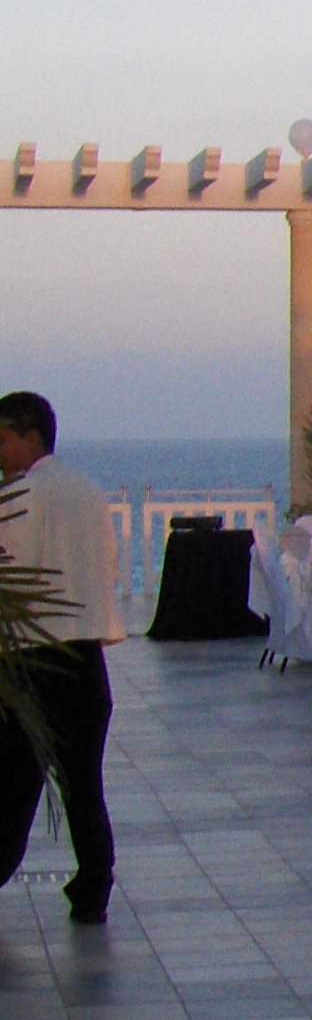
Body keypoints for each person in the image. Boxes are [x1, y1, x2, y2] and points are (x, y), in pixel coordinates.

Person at [0, 392, 121, 924]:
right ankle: (94, 888)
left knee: (13, 788)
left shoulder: (20, 494)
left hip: (35, 662)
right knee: (84, 787)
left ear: (31, 437)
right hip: (86, 662)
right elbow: (107, 569)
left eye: (2, 439)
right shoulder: (90, 493)